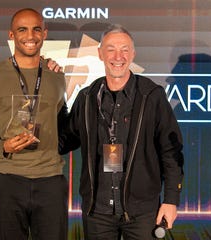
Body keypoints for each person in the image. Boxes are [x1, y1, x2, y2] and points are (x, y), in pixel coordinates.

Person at [58, 24, 184, 239]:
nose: (118, 56)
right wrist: (53, 100)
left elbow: (171, 151)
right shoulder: (87, 98)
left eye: (125, 49)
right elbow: (64, 141)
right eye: (111, 49)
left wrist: (171, 199)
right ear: (100, 53)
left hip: (142, 212)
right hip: (97, 212)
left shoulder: (152, 96)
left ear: (133, 54)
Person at [0, 8, 68, 240]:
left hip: (50, 180)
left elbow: (62, 122)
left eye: (36, 29)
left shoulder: (56, 75)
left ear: (44, 33)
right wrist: (2, 148)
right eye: (22, 29)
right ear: (11, 35)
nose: (30, 35)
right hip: (9, 180)